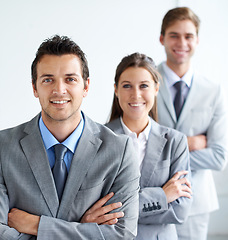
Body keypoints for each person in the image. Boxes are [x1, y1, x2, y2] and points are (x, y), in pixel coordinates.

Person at [0, 35, 140, 240]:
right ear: (34, 87)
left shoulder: (120, 151)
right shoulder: (3, 147)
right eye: (48, 79)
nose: (59, 90)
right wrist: (82, 228)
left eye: (70, 79)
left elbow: (122, 234)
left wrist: (39, 226)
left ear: (86, 86)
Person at [157, 7, 228, 240]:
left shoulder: (213, 90)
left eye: (188, 36)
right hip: (154, 197)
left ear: (197, 41)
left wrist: (164, 155)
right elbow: (136, 143)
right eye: (174, 35)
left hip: (196, 203)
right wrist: (189, 143)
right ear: (162, 38)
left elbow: (218, 157)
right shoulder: (144, 83)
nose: (182, 42)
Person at [106, 52, 192, 240]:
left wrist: (122, 210)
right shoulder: (99, 139)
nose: (135, 95)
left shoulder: (175, 141)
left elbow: (180, 211)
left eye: (144, 85)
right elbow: (97, 207)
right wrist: (162, 195)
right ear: (116, 90)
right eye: (127, 86)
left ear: (156, 88)